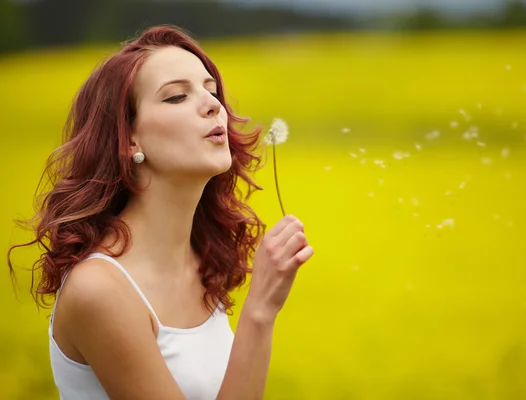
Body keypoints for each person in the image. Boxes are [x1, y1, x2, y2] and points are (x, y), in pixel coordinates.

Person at [7, 24, 314, 400]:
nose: (213, 104)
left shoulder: (200, 264)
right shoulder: (100, 290)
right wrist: (260, 312)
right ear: (128, 138)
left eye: (212, 90)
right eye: (176, 97)